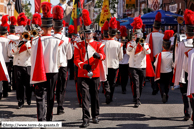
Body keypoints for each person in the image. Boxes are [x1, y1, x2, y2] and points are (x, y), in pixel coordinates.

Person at [74, 9, 105, 128]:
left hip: (95, 73)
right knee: (85, 96)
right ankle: (85, 119)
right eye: (85, 34)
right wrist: (82, 65)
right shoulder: (79, 45)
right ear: (83, 33)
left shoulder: (99, 44)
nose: (87, 35)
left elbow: (103, 56)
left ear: (92, 33)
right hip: (82, 73)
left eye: (89, 33)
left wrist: (100, 55)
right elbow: (76, 59)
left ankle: (95, 115)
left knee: (95, 95)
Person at [30, 2, 61, 121]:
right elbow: (59, 58)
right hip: (53, 70)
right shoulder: (57, 40)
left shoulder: (35, 41)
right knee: (50, 95)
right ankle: (49, 117)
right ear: (52, 27)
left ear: (41, 27)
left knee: (39, 96)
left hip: (39, 71)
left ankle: (41, 120)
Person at [173, 9, 194, 121]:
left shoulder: (181, 44)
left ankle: (187, 112)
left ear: (186, 32)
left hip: (185, 72)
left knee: (185, 93)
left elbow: (177, 59)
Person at [52, 5, 73, 115]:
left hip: (51, 66)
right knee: (61, 87)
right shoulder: (67, 40)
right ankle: (60, 107)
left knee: (51, 87)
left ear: (53, 28)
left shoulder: (49, 39)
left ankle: (50, 107)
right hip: (63, 66)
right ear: (62, 28)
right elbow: (69, 57)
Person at [127, 15, 151, 108]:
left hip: (142, 66)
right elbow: (128, 51)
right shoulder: (130, 43)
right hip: (133, 65)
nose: (137, 36)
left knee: (141, 84)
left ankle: (137, 96)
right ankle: (137, 100)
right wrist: (134, 42)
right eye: (136, 35)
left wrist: (142, 44)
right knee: (136, 83)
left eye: (139, 35)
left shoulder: (145, 43)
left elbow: (148, 52)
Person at [10, 13, 32, 109]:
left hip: (27, 65)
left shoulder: (29, 41)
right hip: (17, 65)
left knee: (28, 84)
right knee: (19, 85)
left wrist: (27, 43)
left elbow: (32, 53)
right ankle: (20, 101)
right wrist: (19, 44)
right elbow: (12, 52)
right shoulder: (14, 41)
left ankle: (29, 98)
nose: (20, 35)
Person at [145, 12, 164, 95]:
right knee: (160, 73)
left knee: (153, 74)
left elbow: (145, 46)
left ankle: (154, 87)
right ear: (160, 27)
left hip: (152, 57)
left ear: (153, 27)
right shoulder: (163, 36)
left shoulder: (149, 35)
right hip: (161, 57)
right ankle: (160, 87)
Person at [104, 17, 123, 102]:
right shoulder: (119, 44)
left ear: (108, 33)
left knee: (106, 81)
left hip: (106, 65)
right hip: (115, 65)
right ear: (115, 34)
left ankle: (107, 93)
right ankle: (110, 96)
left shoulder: (103, 43)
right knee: (113, 82)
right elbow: (121, 57)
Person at [154, 30, 174, 103]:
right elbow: (173, 65)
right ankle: (166, 93)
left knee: (161, 84)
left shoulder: (159, 55)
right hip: (168, 72)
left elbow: (155, 64)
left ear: (162, 47)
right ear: (170, 47)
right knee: (167, 85)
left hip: (161, 72)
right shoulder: (171, 55)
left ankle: (163, 94)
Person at [99, 21, 111, 104]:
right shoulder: (116, 43)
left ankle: (106, 92)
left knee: (104, 81)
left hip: (103, 64)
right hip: (112, 65)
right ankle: (108, 93)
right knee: (110, 81)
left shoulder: (100, 43)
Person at [7, 16, 20, 91]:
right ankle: (15, 86)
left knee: (8, 73)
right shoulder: (18, 38)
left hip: (8, 57)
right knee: (15, 74)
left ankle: (8, 86)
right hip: (15, 57)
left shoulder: (7, 37)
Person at [0, 15, 10, 98]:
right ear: (6, 32)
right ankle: (5, 92)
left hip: (0, 60)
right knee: (6, 75)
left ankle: (0, 91)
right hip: (6, 60)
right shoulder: (8, 41)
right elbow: (9, 52)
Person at [119, 26, 130, 94]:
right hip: (120, 62)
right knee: (121, 76)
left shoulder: (128, 43)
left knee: (126, 76)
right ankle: (123, 87)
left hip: (127, 62)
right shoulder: (118, 43)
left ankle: (124, 87)